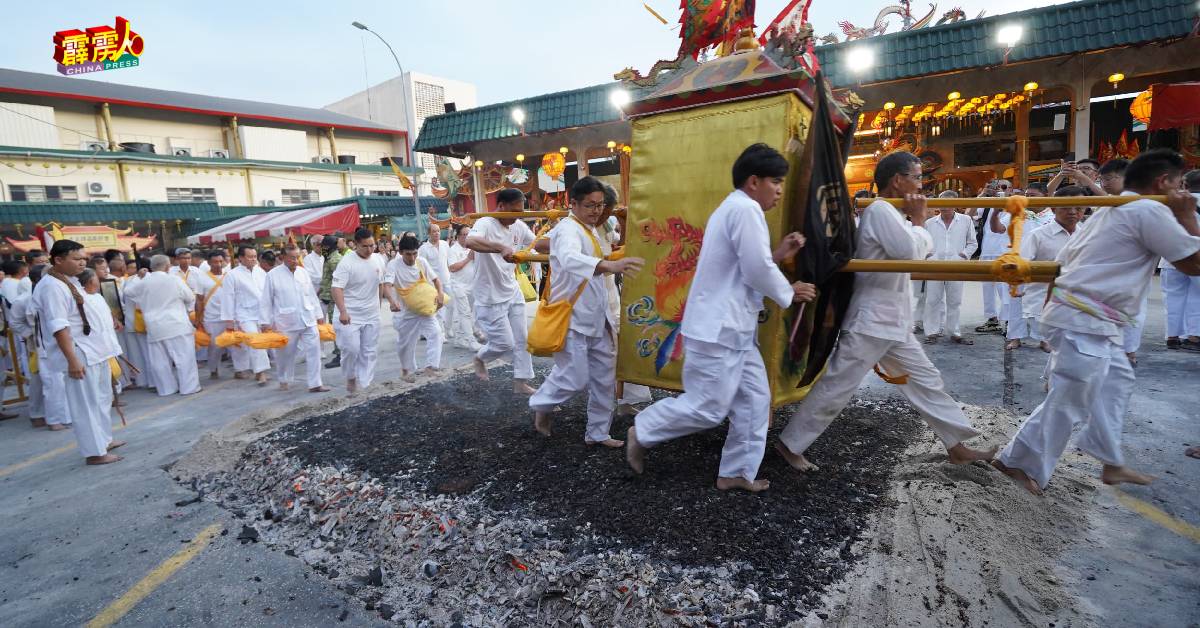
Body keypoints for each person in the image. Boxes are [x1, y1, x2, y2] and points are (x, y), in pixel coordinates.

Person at [993, 150, 1200, 494]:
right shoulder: (1147, 209)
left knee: (1114, 382)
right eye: (1179, 184)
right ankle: (1016, 464)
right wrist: (1188, 217)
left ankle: (1111, 461)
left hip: (1085, 317)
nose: (1183, 192)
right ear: (1163, 182)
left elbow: (1064, 262)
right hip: (1083, 319)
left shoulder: (1113, 210)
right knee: (1068, 401)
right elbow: (1194, 263)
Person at [776, 151, 996, 475]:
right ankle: (789, 445)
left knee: (926, 380)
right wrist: (921, 222)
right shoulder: (880, 211)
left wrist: (914, 223)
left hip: (892, 320)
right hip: (872, 321)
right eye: (918, 177)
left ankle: (957, 446)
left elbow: (914, 250)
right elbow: (909, 253)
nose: (922, 185)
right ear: (898, 180)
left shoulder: (894, 214)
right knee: (838, 386)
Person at [625, 144, 816, 492]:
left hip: (733, 330)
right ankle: (644, 430)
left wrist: (780, 254)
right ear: (753, 181)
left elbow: (745, 267)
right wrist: (790, 291)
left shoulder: (736, 209)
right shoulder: (744, 210)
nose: (778, 189)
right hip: (718, 331)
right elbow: (756, 269)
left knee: (755, 402)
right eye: (775, 181)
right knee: (708, 408)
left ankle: (736, 473)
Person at [529, 177, 645, 446]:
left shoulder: (590, 229)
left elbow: (603, 257)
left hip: (597, 315)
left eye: (600, 205)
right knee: (574, 376)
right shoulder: (568, 229)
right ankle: (541, 404)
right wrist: (608, 266)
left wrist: (615, 260)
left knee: (604, 378)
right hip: (572, 317)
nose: (596, 210)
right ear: (574, 204)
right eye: (590, 205)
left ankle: (597, 433)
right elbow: (569, 259)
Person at [32, 240, 123, 465]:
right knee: (85, 404)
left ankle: (104, 440)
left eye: (84, 258)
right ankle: (94, 453)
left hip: (94, 350)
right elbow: (59, 326)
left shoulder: (68, 281)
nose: (82, 262)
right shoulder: (52, 286)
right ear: (58, 260)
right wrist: (72, 360)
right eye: (76, 258)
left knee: (101, 399)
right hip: (79, 352)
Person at [464, 188, 538, 394]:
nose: (517, 216)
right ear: (501, 206)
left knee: (523, 338)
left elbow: (538, 244)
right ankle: (480, 358)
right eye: (514, 211)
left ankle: (520, 382)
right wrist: (500, 247)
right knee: (504, 344)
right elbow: (470, 241)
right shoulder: (486, 222)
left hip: (512, 290)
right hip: (489, 295)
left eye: (520, 212)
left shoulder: (518, 225)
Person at [1013, 186, 1088, 354]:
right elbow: (1022, 263)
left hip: (1079, 300)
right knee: (1061, 348)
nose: (1073, 212)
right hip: (1042, 300)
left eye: (1079, 208)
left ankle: (1052, 378)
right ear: (1053, 208)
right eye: (1067, 208)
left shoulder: (1087, 234)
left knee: (1069, 352)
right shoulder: (1037, 235)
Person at [126, 255, 200, 396]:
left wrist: (139, 277)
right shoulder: (174, 279)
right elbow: (190, 297)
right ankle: (189, 387)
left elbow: (128, 292)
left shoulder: (144, 282)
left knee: (160, 362)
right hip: (176, 324)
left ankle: (166, 389)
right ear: (167, 266)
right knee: (184, 358)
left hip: (154, 326)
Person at [262, 244, 328, 392]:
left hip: (308, 318)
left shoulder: (303, 273)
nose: (295, 260)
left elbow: (311, 294)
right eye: (292, 258)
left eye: (297, 257)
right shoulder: (273, 275)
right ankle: (284, 379)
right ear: (283, 257)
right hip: (286, 321)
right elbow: (266, 300)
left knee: (314, 350)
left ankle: (315, 383)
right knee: (285, 354)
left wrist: (318, 314)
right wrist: (265, 322)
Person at [331, 227, 386, 394]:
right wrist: (342, 311)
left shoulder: (378, 259)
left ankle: (365, 383)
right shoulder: (347, 262)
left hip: (371, 313)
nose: (370, 250)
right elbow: (336, 288)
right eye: (365, 246)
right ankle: (350, 377)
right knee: (351, 349)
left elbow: (380, 284)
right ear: (355, 245)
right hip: (350, 314)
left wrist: (379, 305)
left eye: (372, 245)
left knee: (369, 351)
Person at [383, 235, 445, 382]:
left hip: (423, 308)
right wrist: (392, 301)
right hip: (404, 311)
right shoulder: (393, 265)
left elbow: (436, 280)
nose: (412, 258)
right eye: (408, 254)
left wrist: (440, 294)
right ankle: (408, 370)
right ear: (401, 252)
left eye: (414, 253)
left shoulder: (421, 262)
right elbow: (387, 285)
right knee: (405, 344)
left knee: (436, 333)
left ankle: (431, 366)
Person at [922, 190, 977, 345]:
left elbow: (973, 243)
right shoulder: (930, 222)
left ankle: (954, 332)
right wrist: (928, 256)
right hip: (935, 267)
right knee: (932, 300)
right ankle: (931, 332)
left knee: (955, 301)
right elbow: (924, 244)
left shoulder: (966, 220)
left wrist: (964, 255)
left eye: (947, 203)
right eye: (941, 203)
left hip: (956, 266)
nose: (944, 206)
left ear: (955, 204)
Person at [222, 246, 271, 385]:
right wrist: (229, 321)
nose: (253, 259)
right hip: (244, 314)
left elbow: (267, 292)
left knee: (258, 343)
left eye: (255, 256)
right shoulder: (232, 275)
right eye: (250, 257)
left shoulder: (260, 272)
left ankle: (250, 368)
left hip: (262, 313)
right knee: (255, 341)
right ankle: (260, 372)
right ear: (241, 258)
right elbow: (228, 298)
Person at [1163, 169, 1200, 351]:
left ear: (1185, 184)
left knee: (1173, 297)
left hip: (1172, 255)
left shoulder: (1171, 202)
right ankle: (1194, 336)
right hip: (1197, 256)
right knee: (1197, 296)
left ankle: (1172, 336)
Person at [972, 179, 1012, 333]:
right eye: (996, 187)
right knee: (987, 289)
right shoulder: (987, 203)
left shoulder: (1015, 205)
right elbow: (969, 213)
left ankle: (1010, 321)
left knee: (1006, 290)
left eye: (1003, 187)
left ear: (1010, 189)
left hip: (1006, 252)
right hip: (987, 250)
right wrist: (983, 193)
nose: (999, 189)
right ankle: (991, 320)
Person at [193, 250, 231, 379]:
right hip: (212, 318)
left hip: (230, 316)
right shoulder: (202, 277)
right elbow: (199, 299)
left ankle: (240, 370)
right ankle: (213, 370)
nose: (219, 264)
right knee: (215, 347)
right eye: (215, 262)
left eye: (221, 261)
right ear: (208, 262)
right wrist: (198, 318)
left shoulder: (230, 275)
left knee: (237, 345)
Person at [446, 224, 481, 350]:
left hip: (472, 285)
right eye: (464, 234)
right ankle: (471, 341)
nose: (467, 237)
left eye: (469, 234)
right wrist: (468, 258)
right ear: (458, 236)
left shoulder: (473, 248)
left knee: (469, 312)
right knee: (465, 313)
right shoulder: (453, 250)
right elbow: (452, 268)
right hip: (458, 285)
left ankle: (460, 338)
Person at [418, 223, 453, 333]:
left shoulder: (444, 244)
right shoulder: (423, 248)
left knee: (451, 306)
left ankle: (448, 327)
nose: (437, 233)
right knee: (438, 308)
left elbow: (448, 262)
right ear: (429, 233)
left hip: (447, 280)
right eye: (434, 231)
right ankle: (440, 332)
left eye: (438, 231)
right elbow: (422, 268)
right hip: (432, 283)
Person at [318, 235, 343, 368]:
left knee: (336, 327)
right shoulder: (331, 258)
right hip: (330, 297)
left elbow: (339, 281)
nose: (322, 249)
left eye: (324, 246)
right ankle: (339, 351)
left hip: (334, 299)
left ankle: (340, 355)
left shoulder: (334, 260)